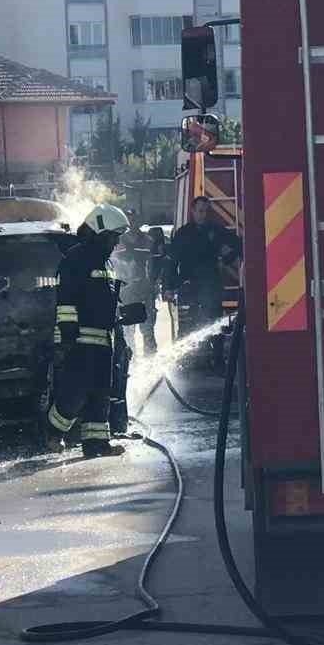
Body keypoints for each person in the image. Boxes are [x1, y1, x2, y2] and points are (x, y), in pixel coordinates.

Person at [45, 205, 134, 458]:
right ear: (99, 232)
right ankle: (53, 432)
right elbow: (66, 300)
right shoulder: (76, 258)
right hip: (80, 339)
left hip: (104, 340)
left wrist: (123, 316)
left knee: (100, 394)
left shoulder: (105, 262)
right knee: (76, 391)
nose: (116, 243)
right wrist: (68, 337)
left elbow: (104, 300)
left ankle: (97, 444)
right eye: (113, 237)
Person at [167, 196, 241, 334]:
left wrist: (225, 260)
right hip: (189, 286)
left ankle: (215, 347)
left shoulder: (216, 230)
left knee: (214, 329)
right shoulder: (183, 233)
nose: (204, 215)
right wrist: (169, 287)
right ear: (193, 211)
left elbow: (238, 244)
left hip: (211, 285)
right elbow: (173, 261)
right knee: (187, 330)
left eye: (206, 211)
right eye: (200, 211)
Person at [113, 211, 158, 357]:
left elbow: (153, 266)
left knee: (148, 328)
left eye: (134, 219)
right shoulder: (118, 241)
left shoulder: (148, 241)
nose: (132, 223)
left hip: (144, 289)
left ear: (139, 221)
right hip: (125, 291)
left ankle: (150, 360)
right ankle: (130, 361)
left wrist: (154, 286)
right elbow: (113, 264)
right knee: (127, 330)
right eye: (129, 220)